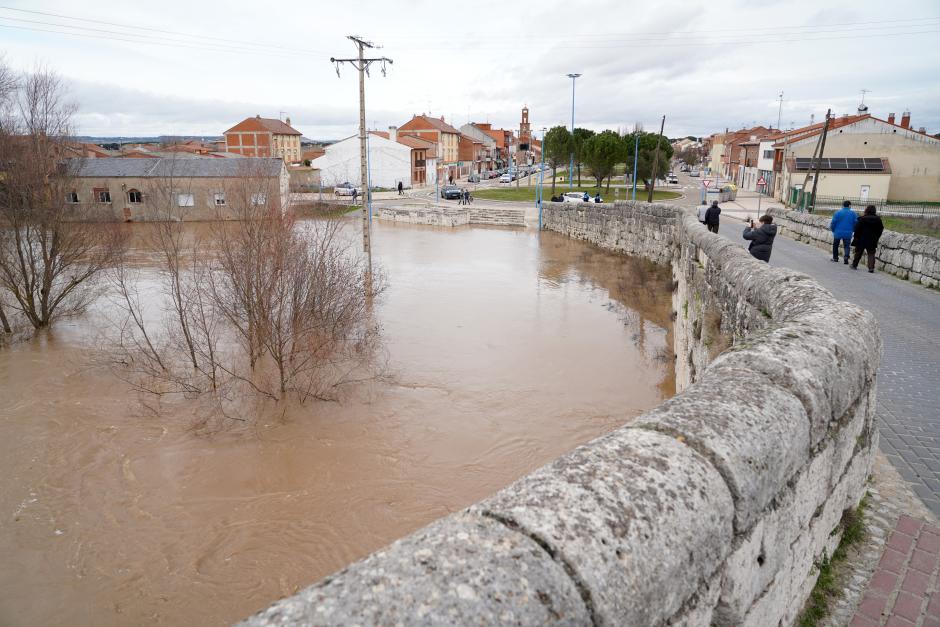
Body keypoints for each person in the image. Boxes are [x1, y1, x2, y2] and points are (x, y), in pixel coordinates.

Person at [851, 205, 885, 273]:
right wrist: (877, 237)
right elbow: (880, 229)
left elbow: (857, 229)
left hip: (861, 238)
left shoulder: (862, 219)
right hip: (872, 239)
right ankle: (871, 268)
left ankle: (854, 265)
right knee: (871, 253)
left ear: (866, 210)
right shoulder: (878, 219)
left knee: (858, 252)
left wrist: (856, 237)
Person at [829, 200, 858, 264]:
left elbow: (833, 223)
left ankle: (835, 258)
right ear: (849, 205)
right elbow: (856, 223)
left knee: (835, 245)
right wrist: (853, 229)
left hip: (838, 232)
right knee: (847, 246)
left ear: (843, 205)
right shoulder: (853, 213)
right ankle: (846, 257)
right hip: (848, 232)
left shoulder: (837, 213)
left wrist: (833, 230)